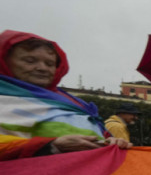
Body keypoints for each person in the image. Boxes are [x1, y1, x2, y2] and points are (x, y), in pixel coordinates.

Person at [0, 29, 129, 160]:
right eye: (30, 61)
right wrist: (50, 146)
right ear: (4, 60)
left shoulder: (73, 101)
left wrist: (113, 141)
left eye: (50, 63)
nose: (42, 68)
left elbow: (100, 134)